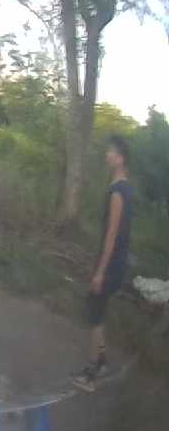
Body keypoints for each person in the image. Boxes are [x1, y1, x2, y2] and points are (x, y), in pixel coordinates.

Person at [73, 135, 135, 391]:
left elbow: (112, 234)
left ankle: (93, 371)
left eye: (111, 152)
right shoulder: (125, 188)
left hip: (111, 264)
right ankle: (102, 362)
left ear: (120, 159)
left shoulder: (118, 192)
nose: (107, 155)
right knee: (96, 309)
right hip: (116, 261)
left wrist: (100, 271)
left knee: (94, 312)